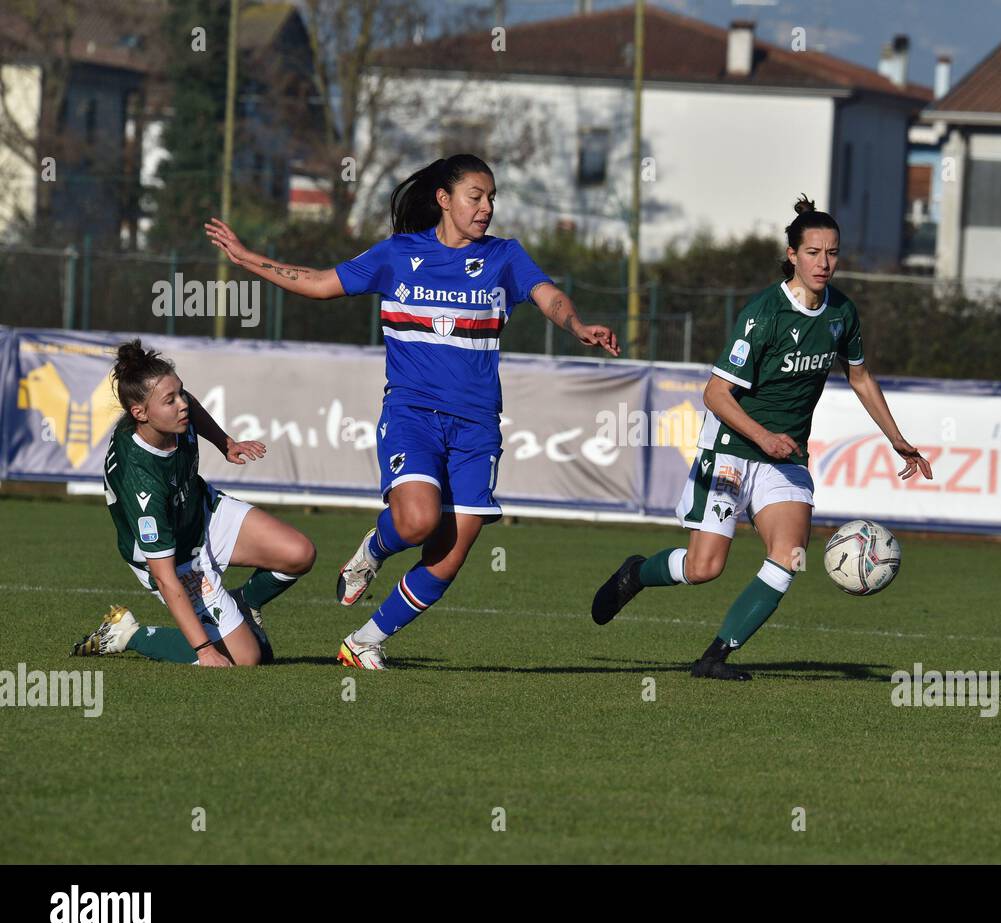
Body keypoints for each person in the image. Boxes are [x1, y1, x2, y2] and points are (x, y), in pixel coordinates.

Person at [204, 154, 619, 670]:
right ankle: (376, 548)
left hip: (477, 428)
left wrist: (577, 324)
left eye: (492, 198)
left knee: (449, 556)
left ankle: (363, 642)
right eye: (476, 196)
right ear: (444, 199)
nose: (487, 207)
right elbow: (316, 282)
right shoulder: (399, 254)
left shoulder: (505, 257)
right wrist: (246, 258)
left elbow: (548, 296)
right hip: (412, 414)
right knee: (419, 521)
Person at [590, 195, 933, 680]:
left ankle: (715, 657)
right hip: (730, 449)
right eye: (813, 252)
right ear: (792, 254)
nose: (824, 262)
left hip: (785, 458)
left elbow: (860, 377)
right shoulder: (764, 314)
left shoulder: (842, 314)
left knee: (789, 557)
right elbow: (715, 393)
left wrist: (897, 439)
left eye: (832, 252)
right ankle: (636, 573)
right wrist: (763, 436)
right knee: (704, 567)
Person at [73, 340, 316, 666]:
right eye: (169, 400)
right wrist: (204, 651)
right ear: (140, 413)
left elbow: (194, 406)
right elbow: (164, 576)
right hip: (175, 558)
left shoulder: (174, 417)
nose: (182, 404)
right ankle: (128, 633)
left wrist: (225, 443)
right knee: (249, 659)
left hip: (201, 510)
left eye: (181, 393)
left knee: (299, 554)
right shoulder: (140, 479)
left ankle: (242, 603)